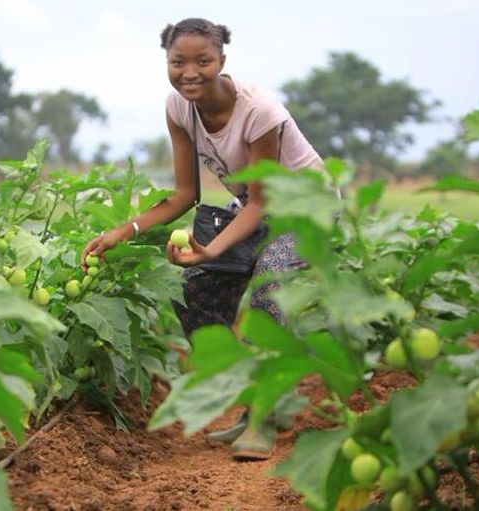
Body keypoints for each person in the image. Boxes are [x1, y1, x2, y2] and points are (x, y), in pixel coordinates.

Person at [81, 17, 324, 460]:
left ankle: (263, 415)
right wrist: (122, 230)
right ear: (167, 62)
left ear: (222, 61)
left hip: (308, 210)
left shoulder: (259, 112)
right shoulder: (178, 108)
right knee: (193, 293)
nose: (189, 72)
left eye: (203, 61)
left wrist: (211, 248)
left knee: (272, 290)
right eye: (178, 62)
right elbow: (185, 195)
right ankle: (253, 395)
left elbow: (258, 202)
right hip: (256, 207)